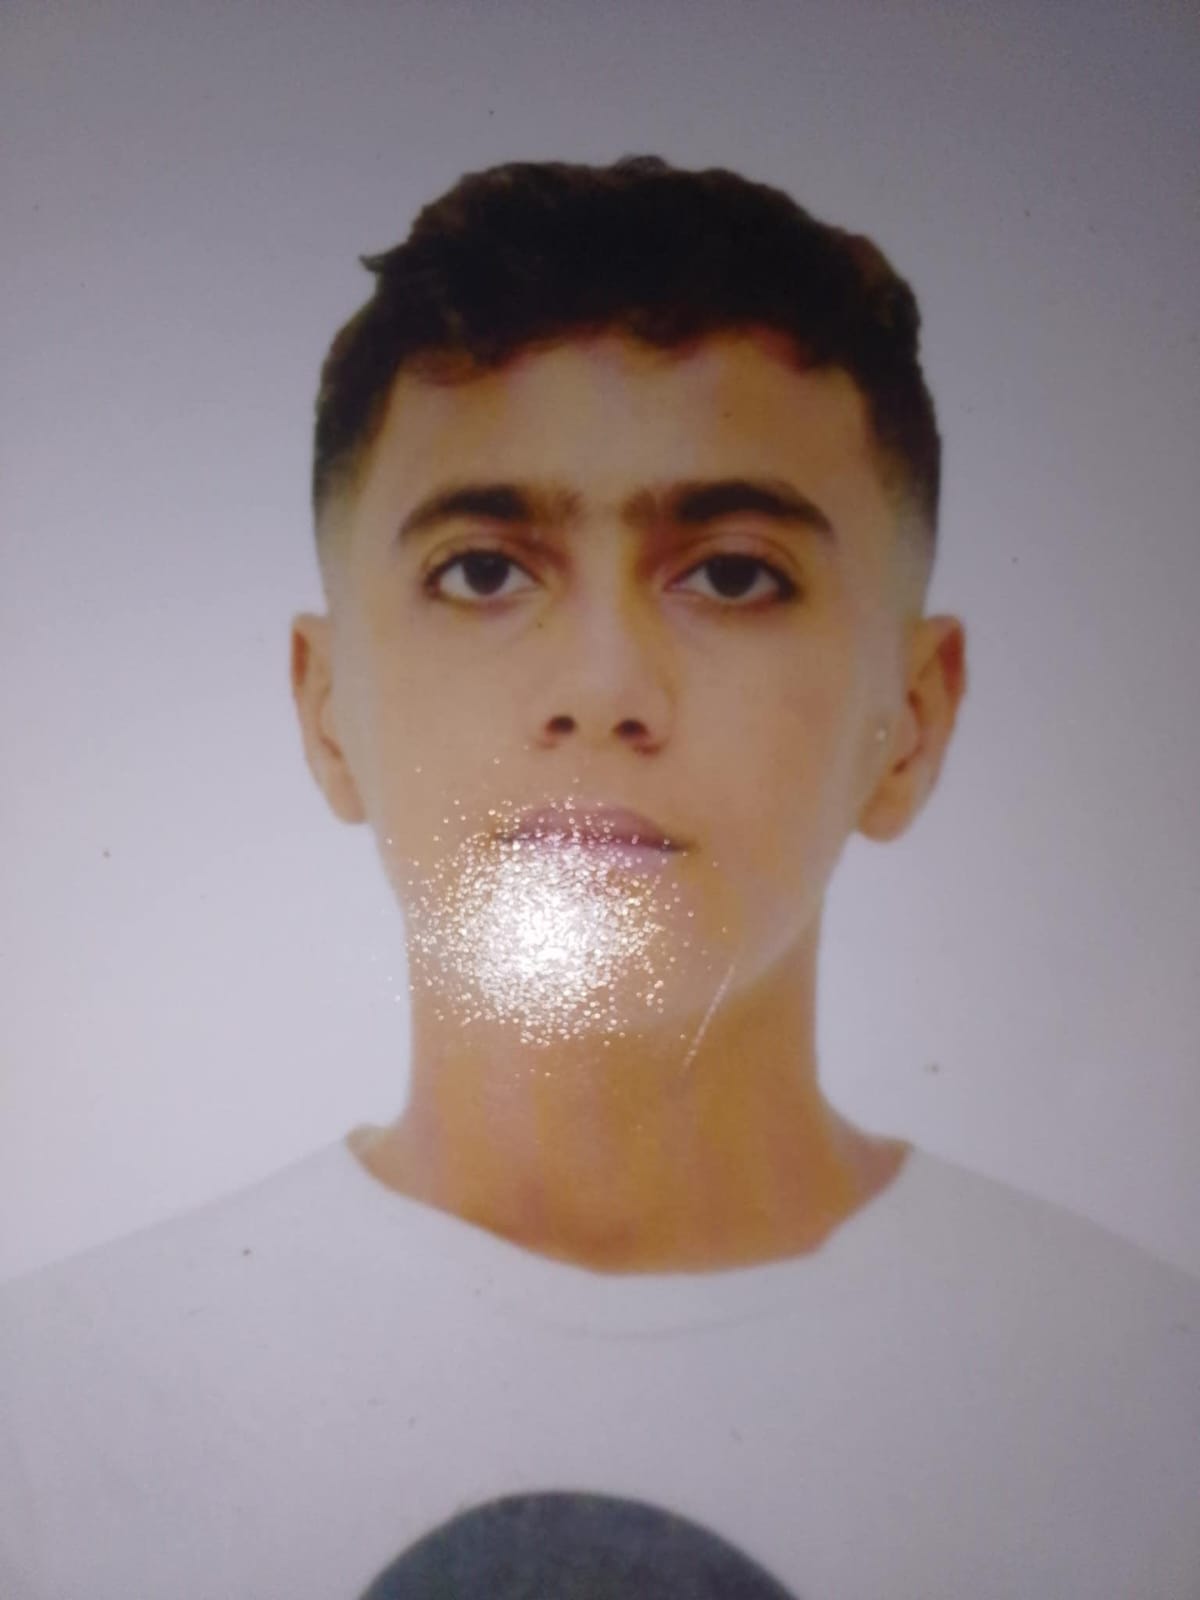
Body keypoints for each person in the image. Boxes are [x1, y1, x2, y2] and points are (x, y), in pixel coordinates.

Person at [1, 155, 1196, 1599]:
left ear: (916, 719)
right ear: (327, 713)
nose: (603, 689)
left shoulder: (1152, 1419)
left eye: (734, 573)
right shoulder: (48, 1424)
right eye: (484, 572)